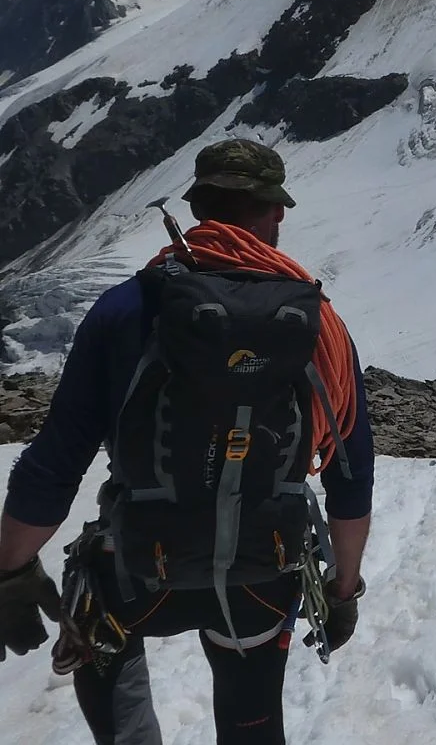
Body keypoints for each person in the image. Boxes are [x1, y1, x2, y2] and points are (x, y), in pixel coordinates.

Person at [0, 138, 374, 745]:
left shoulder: (129, 308)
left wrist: (10, 568)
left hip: (138, 574)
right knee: (253, 727)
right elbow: (350, 474)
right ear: (273, 211)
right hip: (262, 572)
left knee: (118, 703)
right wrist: (343, 585)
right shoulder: (317, 323)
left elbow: (55, 462)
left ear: (199, 204)